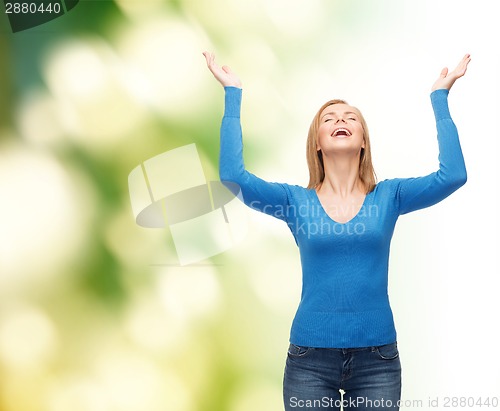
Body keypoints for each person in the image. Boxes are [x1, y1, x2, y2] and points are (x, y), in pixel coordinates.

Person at [203, 51, 470, 410]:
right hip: (309, 360)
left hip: (377, 362)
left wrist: (440, 97)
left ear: (363, 141)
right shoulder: (292, 201)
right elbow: (233, 178)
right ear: (317, 142)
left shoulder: (390, 196)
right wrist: (233, 93)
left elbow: (452, 175)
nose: (340, 120)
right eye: (329, 118)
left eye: (350, 118)